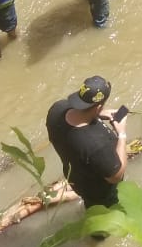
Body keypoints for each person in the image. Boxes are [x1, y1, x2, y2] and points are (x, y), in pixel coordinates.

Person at [46, 75, 128, 211]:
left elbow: (75, 117)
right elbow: (116, 176)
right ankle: (99, 233)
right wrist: (122, 134)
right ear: (98, 107)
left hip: (76, 179)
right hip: (100, 192)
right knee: (104, 218)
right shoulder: (96, 145)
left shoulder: (57, 109)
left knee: (91, 206)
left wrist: (99, 114)